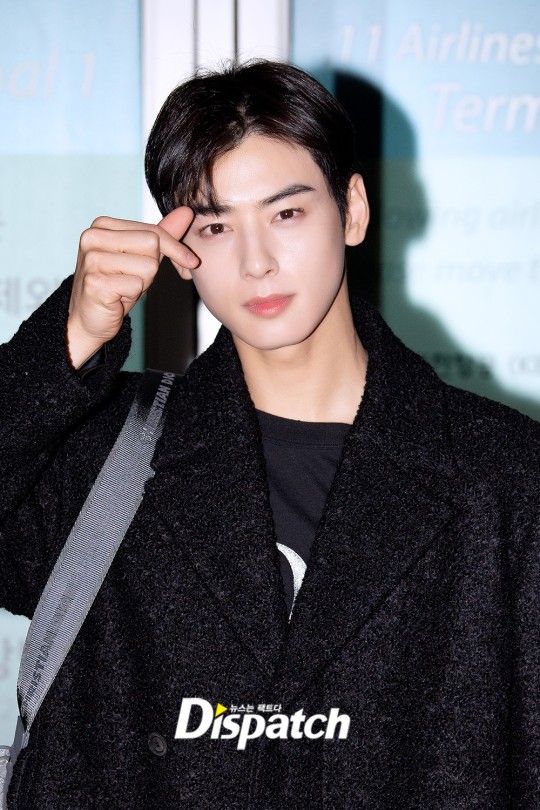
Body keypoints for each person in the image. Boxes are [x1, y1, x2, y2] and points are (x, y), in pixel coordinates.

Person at [1, 60, 539, 809]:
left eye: (286, 214)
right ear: (178, 248)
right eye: (216, 226)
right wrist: (69, 341)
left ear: (352, 210)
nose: (255, 263)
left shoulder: (504, 477)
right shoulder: (105, 457)